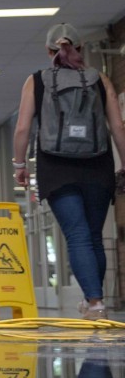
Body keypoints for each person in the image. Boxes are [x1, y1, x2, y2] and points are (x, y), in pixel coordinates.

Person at [12, 23, 125, 321]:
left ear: (49, 51)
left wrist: (20, 166)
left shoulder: (36, 81)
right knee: (93, 237)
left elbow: (23, 127)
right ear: (81, 48)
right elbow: (117, 126)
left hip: (56, 166)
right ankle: (94, 301)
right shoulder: (100, 79)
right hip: (97, 165)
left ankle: (95, 303)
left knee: (77, 236)